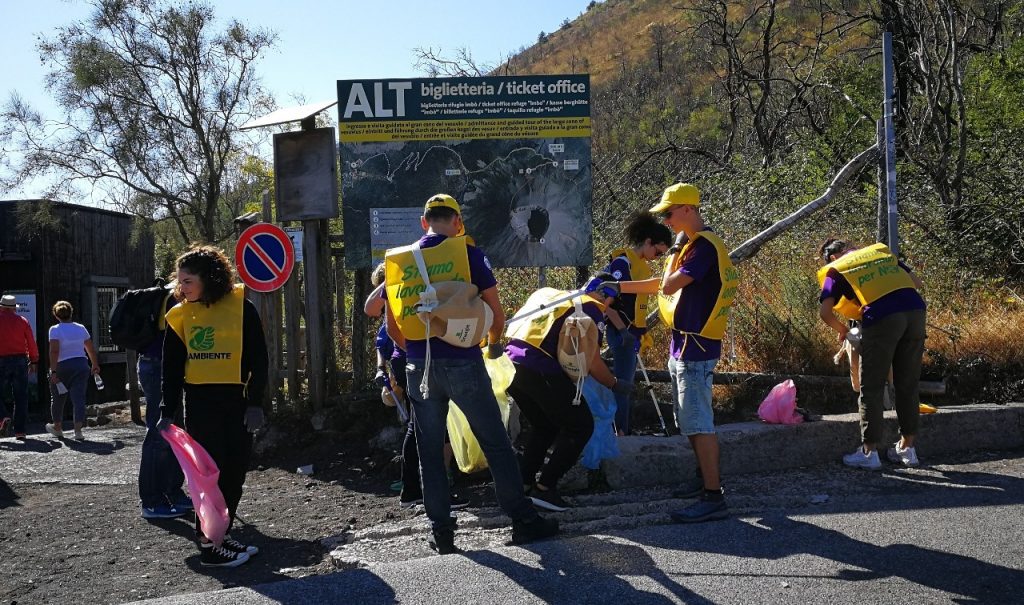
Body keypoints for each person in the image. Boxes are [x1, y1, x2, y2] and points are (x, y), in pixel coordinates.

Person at [383, 193, 558, 554]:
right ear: (458, 222)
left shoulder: (398, 262)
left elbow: (393, 326)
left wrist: (412, 351)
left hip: (419, 366)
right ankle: (523, 521)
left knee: (429, 449)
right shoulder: (469, 255)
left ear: (423, 222)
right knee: (494, 441)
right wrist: (492, 344)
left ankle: (442, 533)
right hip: (463, 360)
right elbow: (495, 308)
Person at [158, 245, 268, 568]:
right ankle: (208, 545)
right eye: (179, 281)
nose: (182, 288)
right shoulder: (178, 316)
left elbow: (259, 359)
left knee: (235, 472)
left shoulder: (242, 308)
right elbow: (171, 370)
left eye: (188, 281)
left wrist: (255, 404)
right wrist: (167, 413)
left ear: (209, 278)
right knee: (209, 476)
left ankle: (221, 532)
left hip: (238, 402)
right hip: (201, 404)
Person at [650, 183, 739, 523]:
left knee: (699, 423)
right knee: (688, 421)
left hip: (696, 348)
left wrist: (673, 253)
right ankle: (702, 477)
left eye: (669, 213)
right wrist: (616, 286)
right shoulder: (689, 246)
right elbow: (664, 284)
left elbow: (669, 285)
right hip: (682, 345)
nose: (667, 221)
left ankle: (713, 496)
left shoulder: (702, 248)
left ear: (688, 209)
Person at [505, 278, 629, 511]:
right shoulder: (590, 308)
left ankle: (523, 483)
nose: (609, 306)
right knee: (581, 426)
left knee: (545, 426)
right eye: (612, 300)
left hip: (512, 363)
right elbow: (591, 360)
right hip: (540, 367)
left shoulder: (558, 297)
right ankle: (545, 489)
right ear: (604, 295)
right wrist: (614, 383)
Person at [364, 263, 468, 510]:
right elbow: (372, 311)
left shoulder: (414, 285)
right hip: (413, 357)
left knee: (421, 423)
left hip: (415, 356)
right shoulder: (398, 287)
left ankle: (417, 489)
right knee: (425, 423)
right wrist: (391, 279)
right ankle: (420, 489)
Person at [817, 238, 926, 470]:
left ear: (832, 258)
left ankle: (869, 452)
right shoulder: (880, 254)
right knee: (908, 382)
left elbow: (825, 312)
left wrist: (844, 330)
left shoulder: (837, 269)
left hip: (882, 318)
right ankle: (908, 450)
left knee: (872, 386)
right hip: (915, 310)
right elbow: (915, 282)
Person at [599, 212, 673, 435]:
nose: (657, 257)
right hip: (620, 331)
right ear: (648, 242)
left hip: (631, 332)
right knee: (622, 384)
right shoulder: (624, 262)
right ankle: (619, 430)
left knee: (625, 381)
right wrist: (622, 329)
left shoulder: (642, 266)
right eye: (658, 252)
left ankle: (621, 428)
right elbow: (607, 299)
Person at [137, 279, 190, 519]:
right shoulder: (177, 295)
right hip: (159, 366)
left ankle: (172, 493)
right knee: (159, 433)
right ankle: (151, 500)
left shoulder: (170, 292)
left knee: (173, 432)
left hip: (154, 364)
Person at [44, 301, 102, 441]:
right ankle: (78, 431)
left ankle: (58, 427)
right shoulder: (81, 328)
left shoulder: (54, 329)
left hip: (62, 366)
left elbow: (54, 351)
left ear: (56, 315)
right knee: (79, 398)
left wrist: (53, 371)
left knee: (58, 398)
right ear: (71, 313)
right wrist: (94, 364)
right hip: (81, 365)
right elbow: (90, 348)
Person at [0, 294, 39, 440]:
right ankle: (20, 431)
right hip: (20, 360)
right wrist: (34, 360)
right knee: (21, 396)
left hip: (1, 360)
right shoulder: (23, 321)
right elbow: (31, 341)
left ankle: (3, 417)